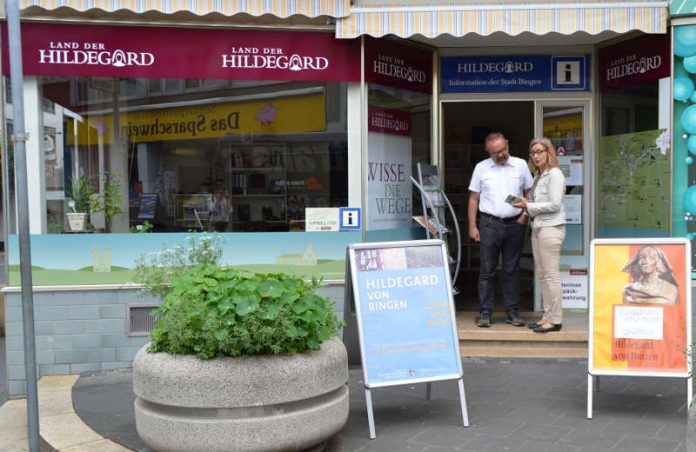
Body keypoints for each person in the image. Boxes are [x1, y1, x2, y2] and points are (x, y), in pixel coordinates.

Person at [468, 132, 533, 327]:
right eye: (495, 153)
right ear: (488, 151)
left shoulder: (521, 165)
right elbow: (473, 199)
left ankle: (512, 312)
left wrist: (524, 217)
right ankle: (485, 312)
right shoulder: (481, 168)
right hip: (489, 224)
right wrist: (472, 226)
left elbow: (529, 193)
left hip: (515, 224)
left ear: (507, 144)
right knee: (487, 271)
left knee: (511, 270)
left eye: (503, 150)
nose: (501, 155)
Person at [512, 138, 566, 333]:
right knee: (543, 276)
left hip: (551, 229)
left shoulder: (555, 174)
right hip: (538, 228)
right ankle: (547, 317)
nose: (535, 156)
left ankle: (556, 319)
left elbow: (554, 204)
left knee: (551, 276)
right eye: (532, 152)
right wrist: (525, 205)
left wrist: (528, 206)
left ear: (549, 152)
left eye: (539, 151)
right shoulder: (538, 176)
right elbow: (535, 202)